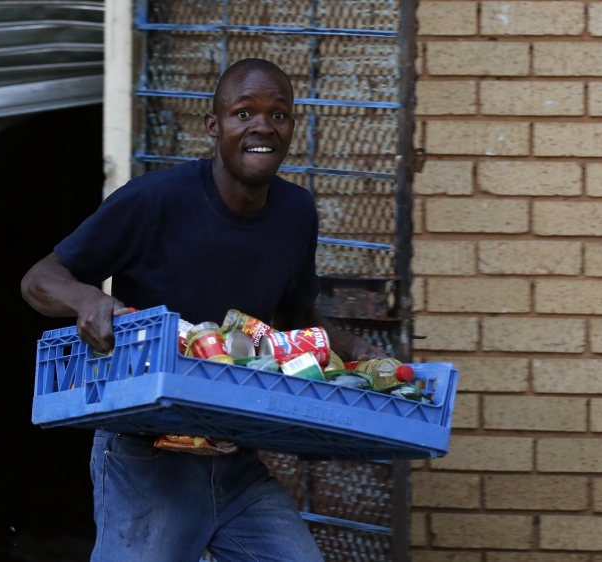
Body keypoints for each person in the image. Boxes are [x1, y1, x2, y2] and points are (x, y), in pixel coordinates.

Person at [21, 58, 386, 561]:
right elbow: (40, 278)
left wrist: (354, 350)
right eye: (244, 113)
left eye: (278, 115)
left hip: (236, 459)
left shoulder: (297, 213)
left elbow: (298, 318)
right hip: (147, 456)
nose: (262, 126)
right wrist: (90, 301)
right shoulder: (155, 200)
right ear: (214, 126)